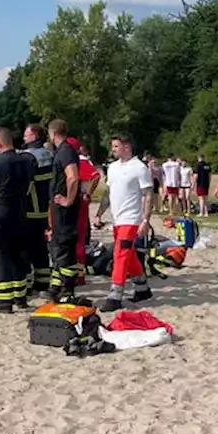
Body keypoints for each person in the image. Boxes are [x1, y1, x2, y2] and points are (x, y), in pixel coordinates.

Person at [93, 133, 154, 312]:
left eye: (116, 146)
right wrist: (99, 214)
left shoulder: (139, 168)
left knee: (120, 254)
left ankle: (115, 295)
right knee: (129, 254)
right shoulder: (112, 168)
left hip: (131, 219)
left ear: (127, 147)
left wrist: (145, 220)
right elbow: (108, 193)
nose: (113, 150)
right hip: (117, 219)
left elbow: (148, 194)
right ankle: (142, 288)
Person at [0, 127, 32, 313]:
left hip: (0, 212)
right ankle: (21, 297)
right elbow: (29, 187)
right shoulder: (26, 161)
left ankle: (4, 302)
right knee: (19, 253)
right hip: (20, 210)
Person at [47, 119, 82, 302]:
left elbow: (73, 177)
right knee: (58, 248)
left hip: (64, 211)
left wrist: (68, 199)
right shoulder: (62, 151)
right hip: (59, 210)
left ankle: (68, 290)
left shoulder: (65, 151)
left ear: (52, 133)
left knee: (64, 249)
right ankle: (56, 287)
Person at [19, 123, 55, 297]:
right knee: (41, 246)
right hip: (46, 207)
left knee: (25, 246)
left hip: (30, 208)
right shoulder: (50, 153)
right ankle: (42, 281)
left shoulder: (27, 156)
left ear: (34, 135)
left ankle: (25, 282)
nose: (24, 136)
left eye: (26, 134)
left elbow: (26, 184)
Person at [70, 137, 100, 285]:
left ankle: (74, 273)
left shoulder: (75, 161)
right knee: (80, 238)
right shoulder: (84, 161)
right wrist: (88, 192)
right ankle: (80, 274)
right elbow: (96, 176)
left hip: (72, 202)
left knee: (71, 239)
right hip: (82, 201)